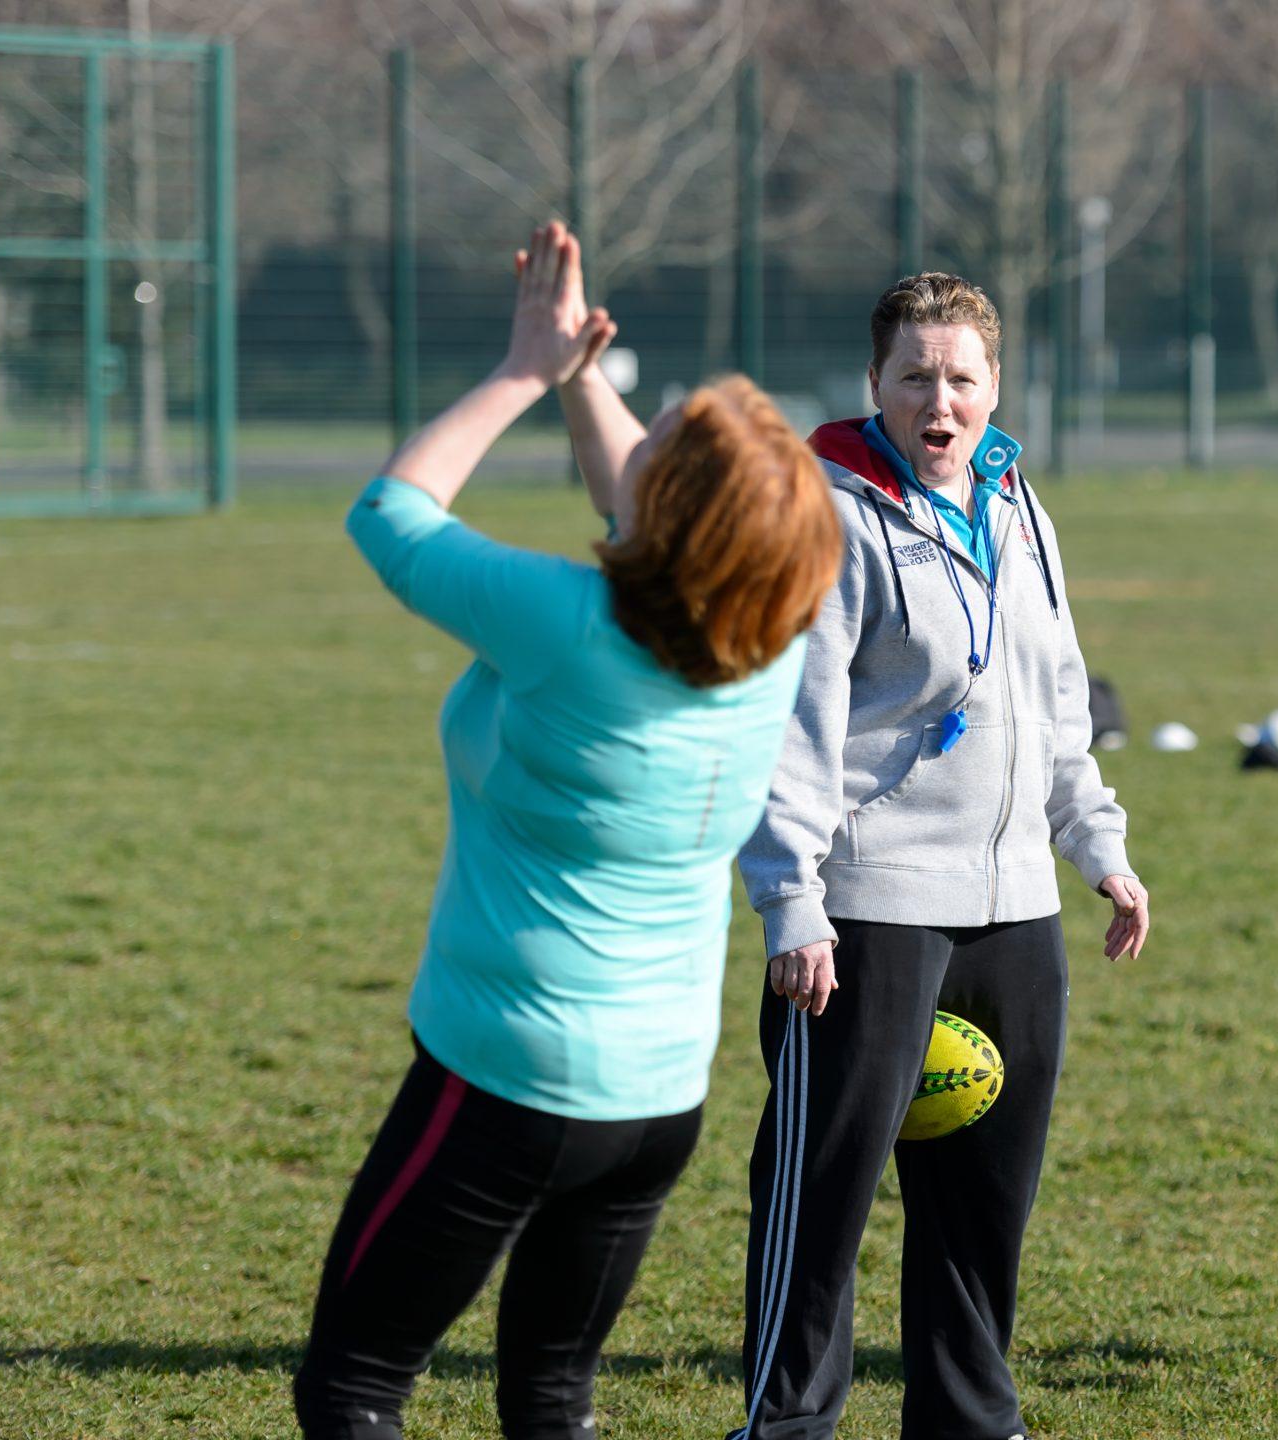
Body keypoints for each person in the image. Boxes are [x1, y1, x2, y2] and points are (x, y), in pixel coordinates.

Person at [294, 220, 841, 1439]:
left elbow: (392, 514)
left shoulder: (566, 620)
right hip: (653, 1103)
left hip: (504, 1082)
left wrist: (522, 375)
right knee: (550, 1399)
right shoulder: (771, 635)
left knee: (356, 1386)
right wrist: (584, 368)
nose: (637, 458)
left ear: (670, 517)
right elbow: (656, 515)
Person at [728, 273, 1152, 1440]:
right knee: (821, 1199)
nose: (940, 400)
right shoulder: (827, 514)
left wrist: (1095, 846)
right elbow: (790, 723)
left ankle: (971, 1419)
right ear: (876, 385)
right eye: (915, 376)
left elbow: (1055, 699)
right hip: (866, 910)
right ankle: (786, 1423)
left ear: (994, 386)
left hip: (1014, 912)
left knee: (982, 1209)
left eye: (962, 377)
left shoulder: (1021, 507)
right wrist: (790, 902)